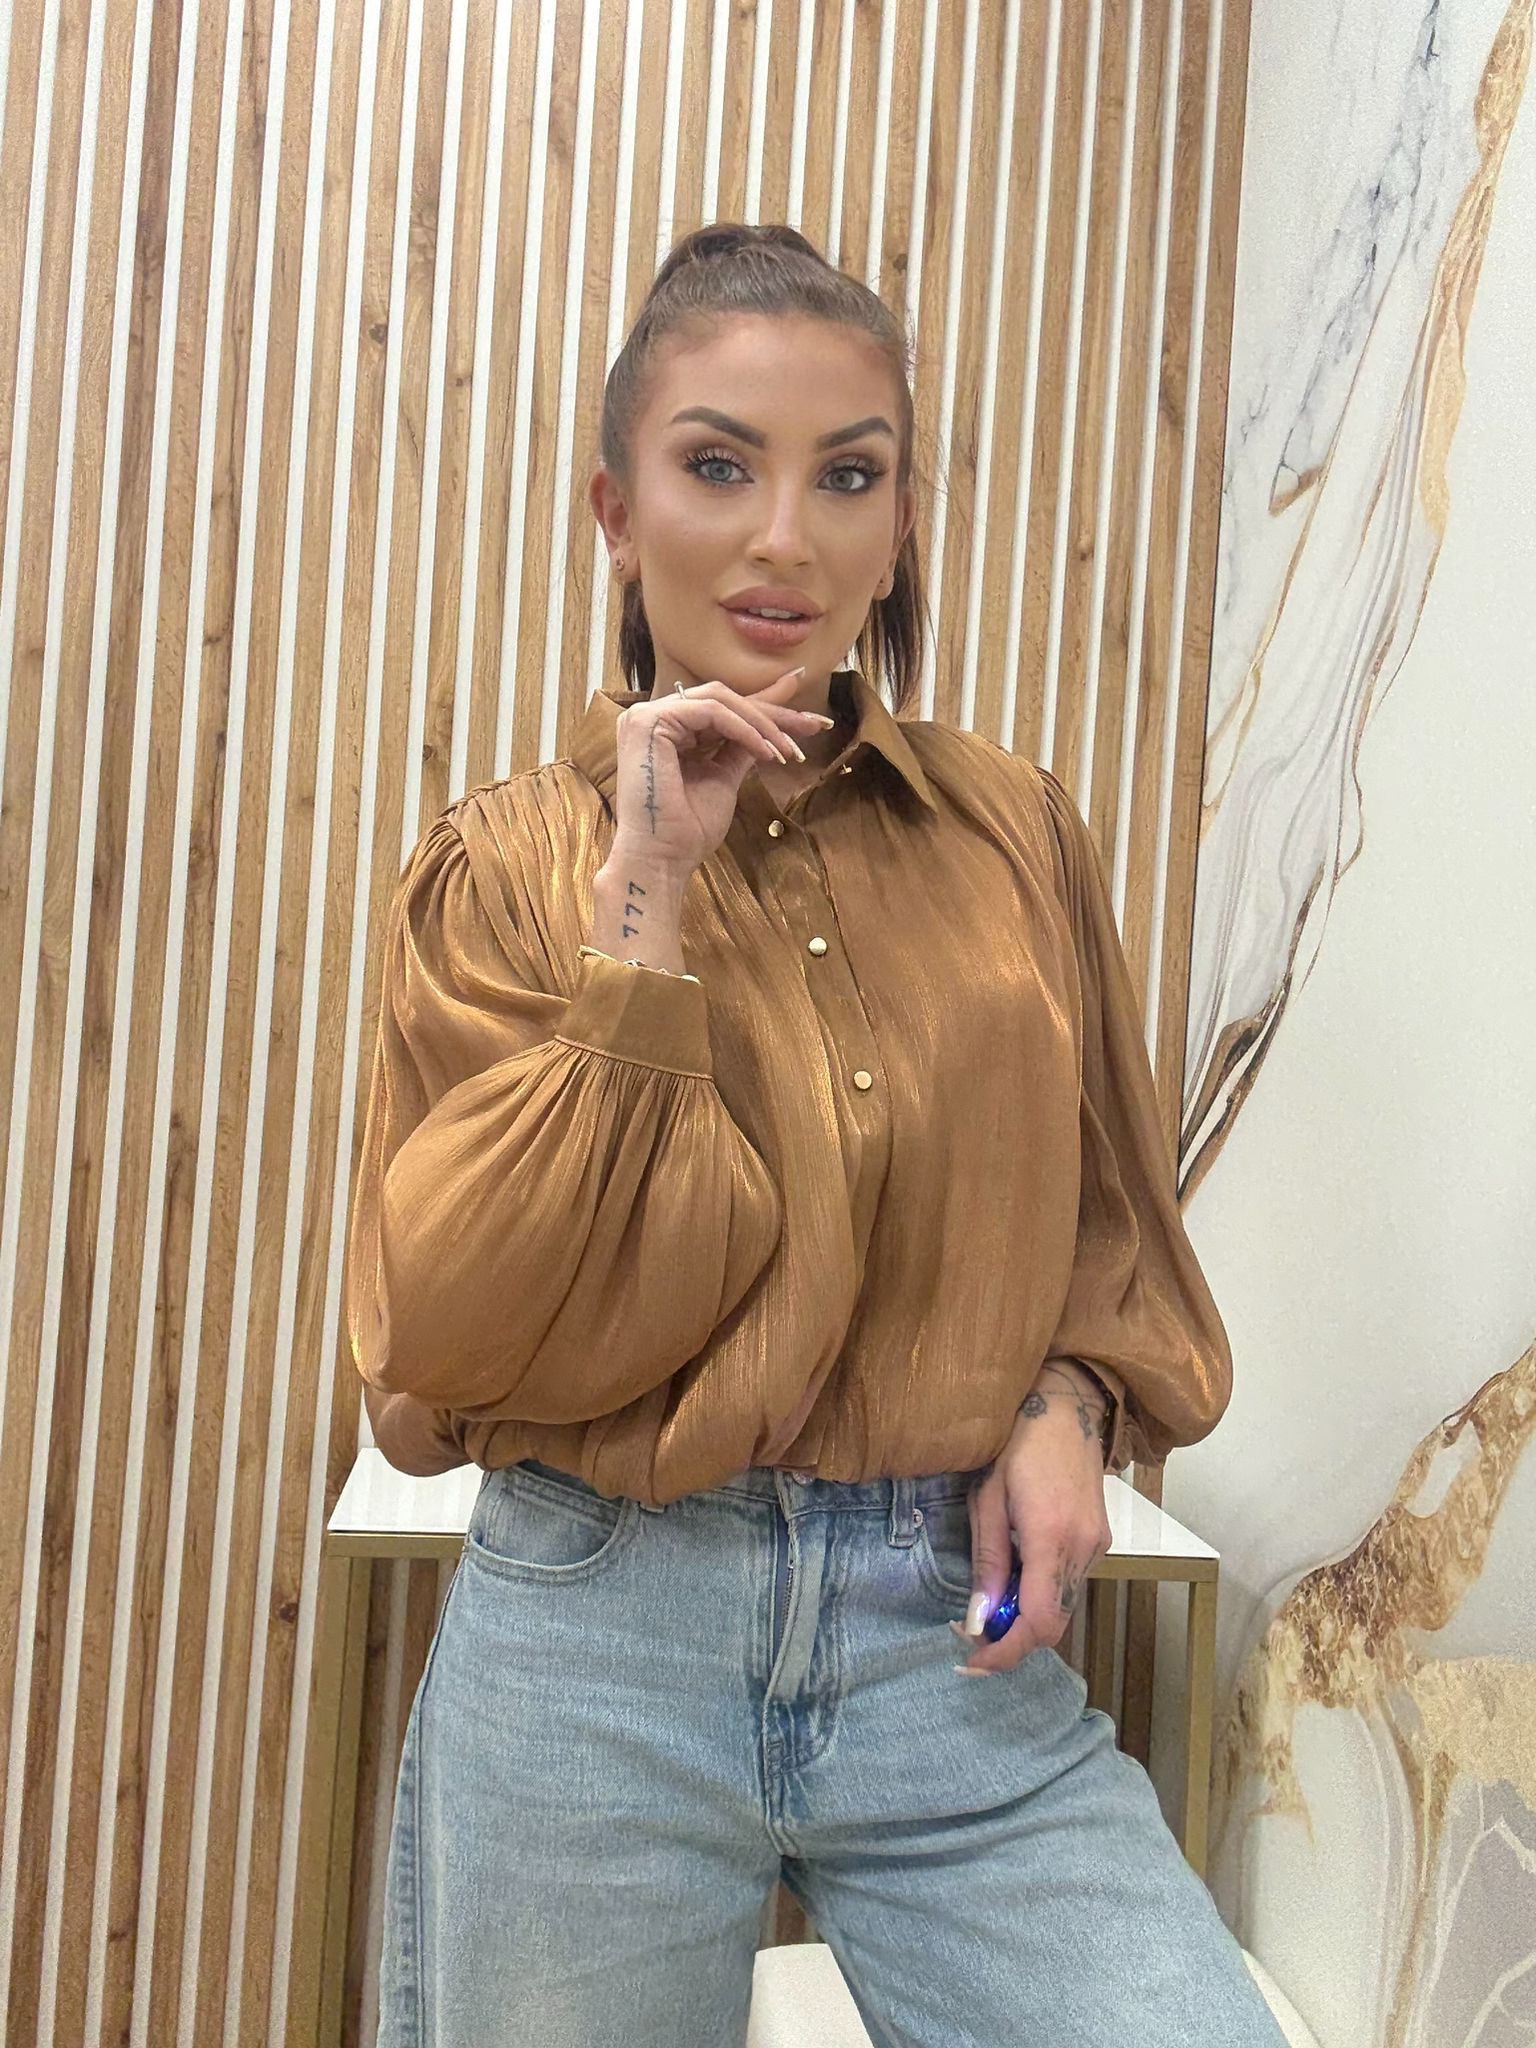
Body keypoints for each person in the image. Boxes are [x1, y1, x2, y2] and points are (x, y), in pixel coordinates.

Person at [348, 221, 1286, 2047]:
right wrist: (647, 896)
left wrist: (1069, 1405)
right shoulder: (504, 869)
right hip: (599, 1635)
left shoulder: (1016, 835)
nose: (785, 536)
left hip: (948, 1640)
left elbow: (1109, 1220)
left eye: (848, 476)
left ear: (903, 522)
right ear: (616, 509)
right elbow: (438, 1345)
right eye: (718, 465)